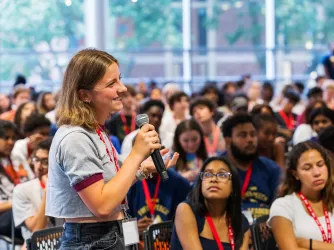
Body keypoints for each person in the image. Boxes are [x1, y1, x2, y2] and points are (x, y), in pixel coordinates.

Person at [45, 48, 178, 250]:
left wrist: (142, 170)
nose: (123, 88)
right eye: (111, 83)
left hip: (107, 234)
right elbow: (102, 206)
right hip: (93, 240)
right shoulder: (76, 138)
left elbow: (111, 189)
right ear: (84, 95)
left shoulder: (94, 131)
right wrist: (136, 155)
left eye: (120, 79)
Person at [171, 156, 250, 250]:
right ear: (200, 184)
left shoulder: (241, 222)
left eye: (222, 175)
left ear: (233, 187)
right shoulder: (185, 210)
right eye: (207, 175)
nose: (213, 179)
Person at [268, 141, 334, 249]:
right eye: (307, 168)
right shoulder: (283, 206)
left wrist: (309, 244)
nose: (317, 172)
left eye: (320, 164)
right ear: (295, 174)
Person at [221, 114, 281, 220]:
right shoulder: (215, 169)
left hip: (264, 229)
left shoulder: (271, 168)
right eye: (243, 135)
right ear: (228, 141)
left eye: (253, 134)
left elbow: (280, 207)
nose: (250, 140)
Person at [12, 138, 54, 242]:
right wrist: (48, 191)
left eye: (46, 162)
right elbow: (37, 230)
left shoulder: (68, 188)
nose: (39, 167)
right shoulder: (22, 190)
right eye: (36, 160)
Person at [11, 114, 51, 180]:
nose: (46, 138)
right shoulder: (18, 148)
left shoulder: (48, 147)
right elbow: (26, 177)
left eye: (47, 134)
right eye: (42, 134)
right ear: (28, 134)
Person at [0, 120, 22, 238]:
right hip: (4, 216)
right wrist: (18, 202)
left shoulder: (15, 159)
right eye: (6, 138)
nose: (11, 142)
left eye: (13, 138)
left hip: (19, 207)